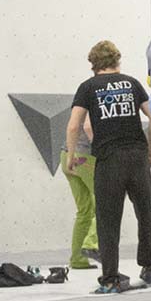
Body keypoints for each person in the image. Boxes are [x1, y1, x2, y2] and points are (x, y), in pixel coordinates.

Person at [66, 40, 151, 294]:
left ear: (93, 64)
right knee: (144, 214)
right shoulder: (133, 83)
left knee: (108, 219)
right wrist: (150, 150)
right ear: (117, 60)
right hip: (137, 157)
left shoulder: (87, 87)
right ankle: (148, 267)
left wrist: (72, 155)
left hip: (109, 159)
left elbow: (75, 125)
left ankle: (111, 278)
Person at [60, 113, 100, 269]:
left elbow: (72, 127)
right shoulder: (95, 97)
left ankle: (78, 259)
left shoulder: (81, 100)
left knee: (85, 210)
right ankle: (91, 243)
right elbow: (88, 126)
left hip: (66, 155)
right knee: (106, 202)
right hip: (83, 157)